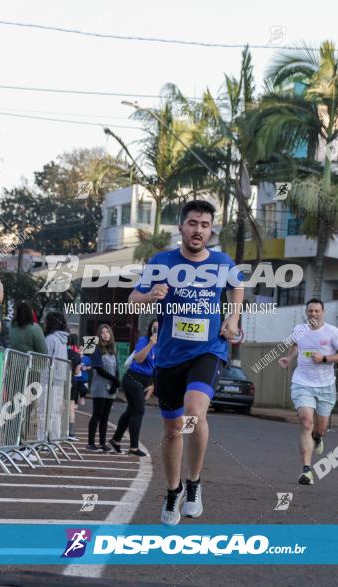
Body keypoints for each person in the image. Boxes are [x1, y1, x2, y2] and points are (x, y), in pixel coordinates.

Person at [130, 199, 243, 525]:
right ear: (181, 227)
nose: (198, 230)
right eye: (193, 223)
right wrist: (150, 296)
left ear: (211, 230)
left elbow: (238, 287)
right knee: (172, 429)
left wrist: (233, 319)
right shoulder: (161, 262)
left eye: (205, 225)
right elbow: (133, 298)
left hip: (208, 350)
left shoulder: (222, 262)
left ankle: (194, 483)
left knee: (195, 411)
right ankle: (173, 490)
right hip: (168, 357)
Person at [277, 299, 338, 485]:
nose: (313, 314)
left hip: (325, 386)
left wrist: (326, 358)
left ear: (323, 312)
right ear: (306, 312)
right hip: (302, 382)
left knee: (320, 429)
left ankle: (318, 438)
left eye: (317, 311)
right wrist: (289, 357)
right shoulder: (299, 329)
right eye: (310, 311)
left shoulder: (332, 332)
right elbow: (295, 344)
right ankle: (306, 470)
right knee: (306, 421)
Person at [109, 319, 157, 457]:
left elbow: (158, 367)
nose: (157, 331)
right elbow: (139, 359)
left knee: (131, 411)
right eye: (154, 328)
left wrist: (152, 385)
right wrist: (150, 344)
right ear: (150, 329)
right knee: (139, 411)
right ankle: (134, 447)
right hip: (132, 379)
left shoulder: (163, 346)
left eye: (159, 328)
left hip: (145, 382)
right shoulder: (144, 340)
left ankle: (116, 440)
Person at [87, 324, 120, 452]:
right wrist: (114, 380)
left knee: (106, 416)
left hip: (111, 387)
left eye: (108, 332)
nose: (105, 334)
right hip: (100, 386)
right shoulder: (95, 349)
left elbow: (117, 368)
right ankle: (90, 443)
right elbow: (99, 369)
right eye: (103, 332)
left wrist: (116, 383)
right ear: (99, 335)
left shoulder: (113, 350)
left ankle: (102, 443)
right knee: (97, 414)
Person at [44, 312, 70, 441]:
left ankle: (41, 439)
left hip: (48, 378)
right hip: (60, 379)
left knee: (43, 411)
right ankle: (55, 440)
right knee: (55, 412)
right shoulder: (63, 339)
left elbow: (44, 359)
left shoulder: (50, 339)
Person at [66, 334, 83, 441]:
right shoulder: (77, 355)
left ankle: (59, 430)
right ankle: (71, 433)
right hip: (73, 381)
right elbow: (77, 372)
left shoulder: (62, 352)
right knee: (71, 406)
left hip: (62, 380)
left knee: (60, 406)